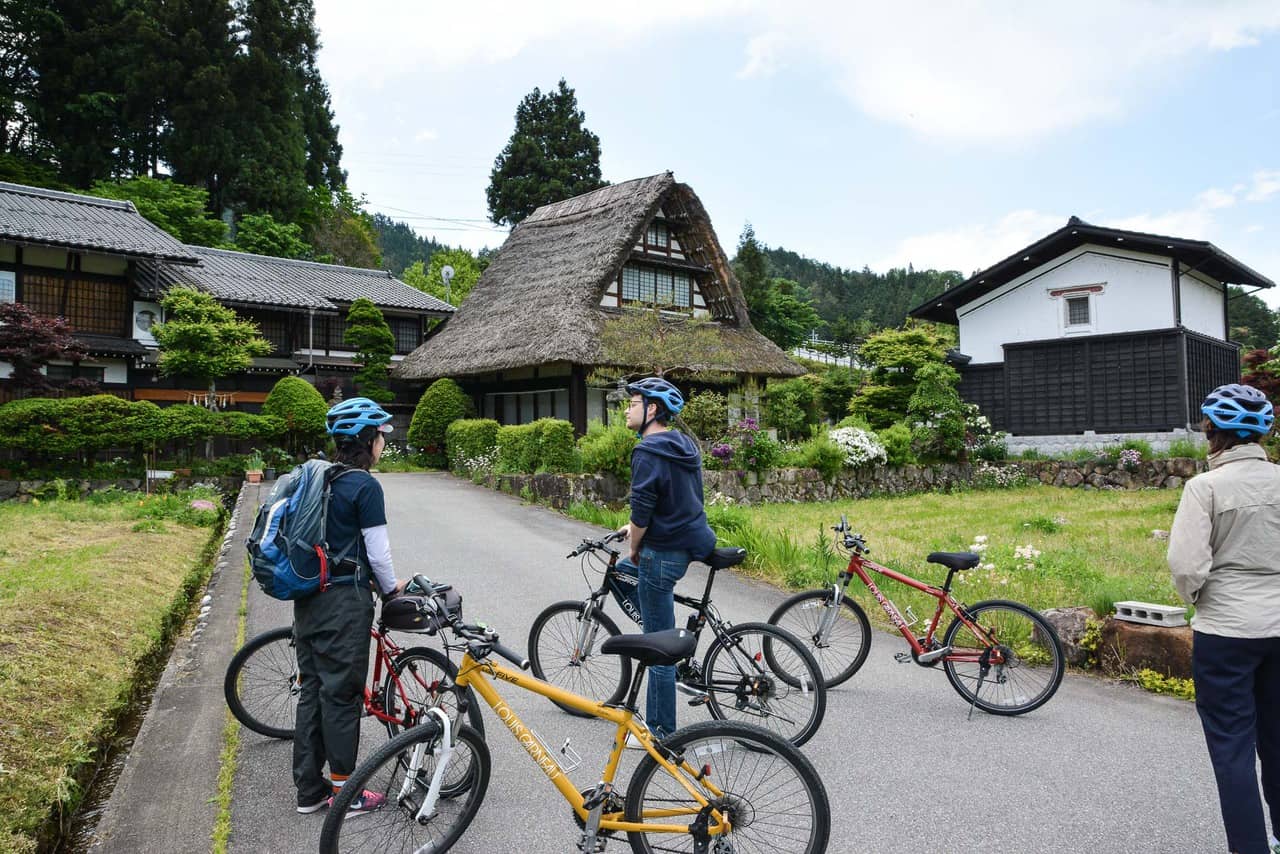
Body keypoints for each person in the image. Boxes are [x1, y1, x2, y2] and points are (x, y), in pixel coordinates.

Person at [1168, 382, 1280, 854]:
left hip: (1226, 631)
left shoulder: (1205, 487)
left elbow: (1186, 565)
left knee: (1232, 746)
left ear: (1212, 430)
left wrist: (1201, 600)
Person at [293, 397, 406, 815]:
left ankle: (310, 790)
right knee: (341, 696)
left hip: (307, 598)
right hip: (343, 602)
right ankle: (345, 791)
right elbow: (377, 553)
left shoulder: (319, 476)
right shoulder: (363, 485)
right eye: (380, 436)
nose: (382, 444)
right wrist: (392, 589)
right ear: (367, 439)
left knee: (312, 691)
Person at [615, 377, 716, 741]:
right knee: (623, 574)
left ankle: (660, 733)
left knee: (655, 647)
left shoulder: (647, 451)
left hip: (663, 553)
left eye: (634, 402)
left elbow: (642, 509)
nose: (627, 409)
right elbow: (677, 497)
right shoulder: (683, 444)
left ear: (652, 409)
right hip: (691, 540)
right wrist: (636, 528)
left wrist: (635, 542)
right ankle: (666, 635)